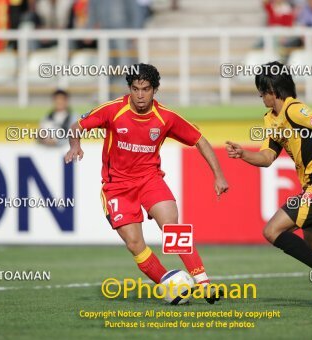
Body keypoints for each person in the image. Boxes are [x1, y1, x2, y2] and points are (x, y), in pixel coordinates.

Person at [64, 64, 229, 303]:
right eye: (135, 89)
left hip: (149, 180)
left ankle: (204, 284)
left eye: (146, 89)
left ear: (155, 90)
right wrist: (75, 145)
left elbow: (200, 140)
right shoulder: (112, 110)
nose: (140, 95)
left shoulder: (166, 117)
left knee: (172, 226)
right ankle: (170, 284)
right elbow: (76, 127)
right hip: (117, 187)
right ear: (129, 89)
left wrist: (219, 175)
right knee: (134, 244)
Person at [225, 61, 312, 307]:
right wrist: (243, 154)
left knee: (272, 231)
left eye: (261, 92)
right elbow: (266, 158)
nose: (260, 97)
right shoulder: (270, 119)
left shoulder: (294, 109)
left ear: (273, 90)